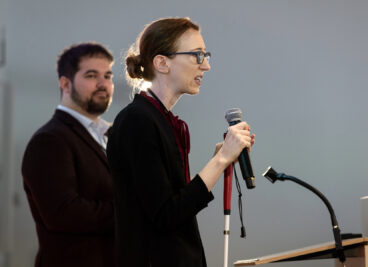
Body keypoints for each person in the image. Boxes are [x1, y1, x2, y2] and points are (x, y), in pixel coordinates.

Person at [106, 17, 255, 267]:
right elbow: (166, 215)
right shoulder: (137, 121)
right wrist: (220, 160)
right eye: (197, 55)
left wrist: (221, 158)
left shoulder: (158, 119)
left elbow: (175, 204)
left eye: (206, 55)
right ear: (162, 63)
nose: (206, 65)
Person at [21, 42, 115, 267]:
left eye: (108, 76)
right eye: (92, 75)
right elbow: (63, 214)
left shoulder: (110, 134)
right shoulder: (50, 140)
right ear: (65, 83)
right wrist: (132, 212)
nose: (103, 84)